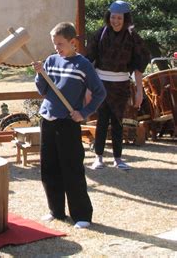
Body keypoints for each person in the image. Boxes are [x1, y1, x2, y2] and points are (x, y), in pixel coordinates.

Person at [32, 22, 106, 229]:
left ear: (73, 42)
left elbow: (100, 93)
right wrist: (40, 73)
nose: (57, 48)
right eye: (54, 44)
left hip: (68, 122)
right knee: (49, 168)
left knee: (71, 167)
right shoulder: (51, 61)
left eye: (60, 44)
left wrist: (83, 113)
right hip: (47, 118)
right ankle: (56, 211)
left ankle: (82, 215)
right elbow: (42, 90)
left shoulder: (83, 65)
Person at [86, 0, 150, 170]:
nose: (116, 21)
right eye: (113, 17)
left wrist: (139, 92)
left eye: (119, 18)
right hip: (101, 83)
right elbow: (88, 61)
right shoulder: (100, 34)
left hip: (121, 84)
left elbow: (139, 64)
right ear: (109, 17)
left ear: (125, 19)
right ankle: (98, 157)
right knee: (101, 122)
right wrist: (87, 88)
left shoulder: (132, 37)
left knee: (118, 122)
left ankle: (118, 158)